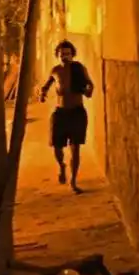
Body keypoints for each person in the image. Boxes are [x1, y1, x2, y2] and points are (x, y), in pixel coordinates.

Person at [39, 40, 94, 193]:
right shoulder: (55, 70)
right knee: (57, 147)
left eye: (68, 54)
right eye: (62, 54)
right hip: (60, 113)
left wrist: (89, 90)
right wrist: (42, 94)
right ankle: (62, 165)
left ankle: (73, 181)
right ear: (57, 55)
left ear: (72, 54)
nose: (65, 56)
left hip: (77, 112)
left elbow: (90, 84)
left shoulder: (79, 68)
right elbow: (46, 86)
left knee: (75, 148)